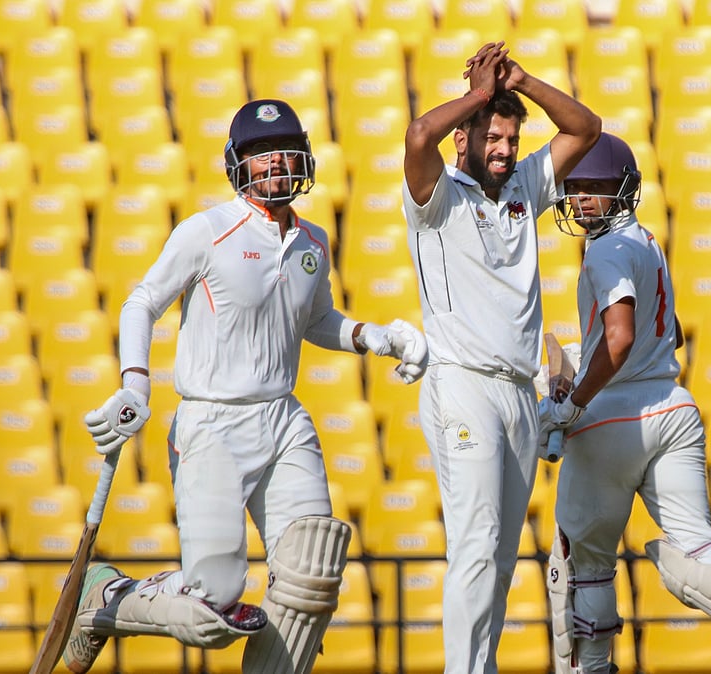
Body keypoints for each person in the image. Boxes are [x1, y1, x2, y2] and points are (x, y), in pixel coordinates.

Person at [61, 98, 429, 674]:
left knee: (312, 573)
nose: (275, 165)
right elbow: (141, 303)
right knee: (210, 611)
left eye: (284, 152)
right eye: (260, 155)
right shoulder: (207, 231)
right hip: (211, 424)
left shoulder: (312, 242)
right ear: (238, 163)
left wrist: (376, 336)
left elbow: (316, 321)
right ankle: (107, 597)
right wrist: (136, 385)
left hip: (283, 421)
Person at [538, 133, 711, 674]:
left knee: (581, 565)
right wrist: (589, 348)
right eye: (577, 188)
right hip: (674, 407)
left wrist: (572, 403)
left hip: (613, 417)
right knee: (696, 545)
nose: (582, 199)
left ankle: (589, 669)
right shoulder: (647, 243)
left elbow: (618, 340)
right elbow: (671, 334)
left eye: (596, 187)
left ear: (623, 190)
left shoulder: (605, 251)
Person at [401, 41, 601, 673]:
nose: (504, 150)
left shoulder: (524, 186)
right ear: (464, 139)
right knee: (477, 545)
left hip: (518, 392)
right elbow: (416, 134)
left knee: (501, 558)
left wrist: (522, 81)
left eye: (511, 140)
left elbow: (586, 129)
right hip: (461, 382)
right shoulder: (436, 196)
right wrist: (480, 97)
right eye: (492, 138)